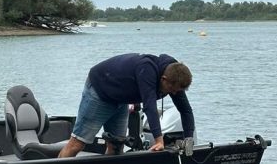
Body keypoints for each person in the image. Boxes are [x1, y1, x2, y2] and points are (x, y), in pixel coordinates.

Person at [58, 53, 194, 157]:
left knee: (116, 146)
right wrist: (159, 141)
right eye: (172, 90)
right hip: (100, 91)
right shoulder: (147, 70)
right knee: (77, 144)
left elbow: (186, 110)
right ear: (164, 79)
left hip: (121, 98)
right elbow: (149, 107)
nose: (174, 93)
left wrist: (188, 140)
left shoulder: (175, 77)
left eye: (178, 91)